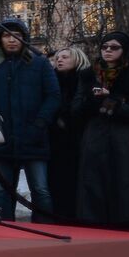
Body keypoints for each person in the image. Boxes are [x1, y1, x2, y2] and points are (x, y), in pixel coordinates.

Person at [0, 18, 59, 223]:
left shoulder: (40, 63)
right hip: (0, 137)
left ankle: (45, 228)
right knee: (0, 190)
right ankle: (4, 230)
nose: (12, 40)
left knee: (40, 189)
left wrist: (40, 123)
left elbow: (53, 95)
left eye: (17, 36)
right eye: (6, 35)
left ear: (25, 39)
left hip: (34, 136)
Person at [73, 32, 129, 230]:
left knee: (127, 189)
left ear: (125, 50)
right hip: (95, 138)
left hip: (125, 140)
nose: (108, 50)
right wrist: (94, 101)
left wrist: (112, 101)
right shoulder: (87, 75)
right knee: (93, 189)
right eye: (104, 46)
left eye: (114, 47)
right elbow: (75, 108)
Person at [50, 45, 91, 222]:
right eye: (58, 57)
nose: (60, 60)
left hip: (78, 137)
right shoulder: (52, 80)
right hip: (56, 140)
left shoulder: (85, 80)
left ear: (77, 58)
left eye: (65, 57)